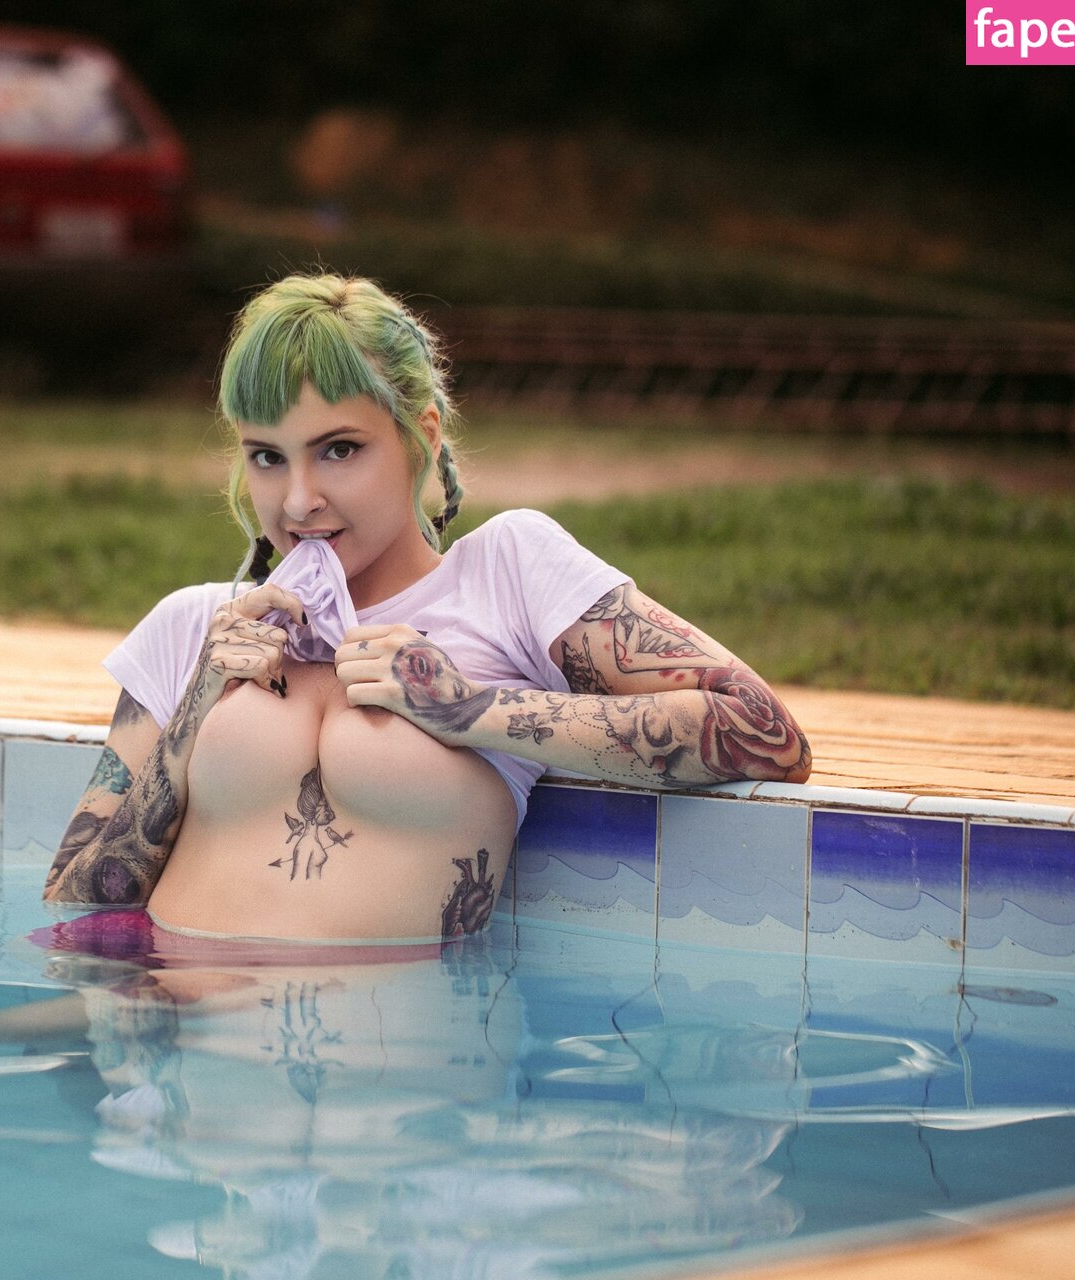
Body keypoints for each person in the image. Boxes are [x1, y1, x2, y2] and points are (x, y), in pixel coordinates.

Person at [43, 272, 810, 941]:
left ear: (421, 437)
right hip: (179, 1038)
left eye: (339, 449)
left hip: (400, 1055)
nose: (299, 501)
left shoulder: (506, 576)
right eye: (267, 457)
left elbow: (764, 733)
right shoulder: (198, 628)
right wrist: (192, 714)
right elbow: (77, 904)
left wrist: (466, 708)